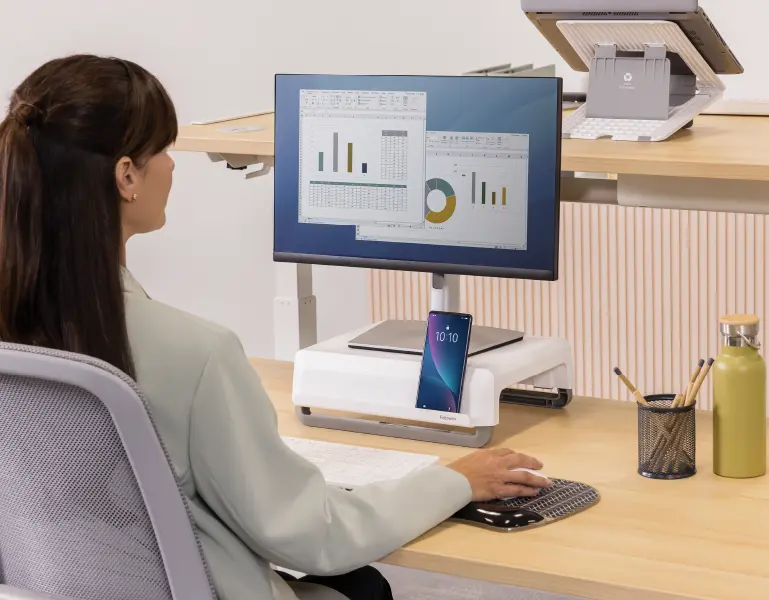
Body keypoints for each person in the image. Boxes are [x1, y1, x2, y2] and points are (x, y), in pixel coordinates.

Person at [0, 54, 552, 600]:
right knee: (361, 584)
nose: (173, 165)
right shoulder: (195, 355)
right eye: (163, 150)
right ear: (126, 177)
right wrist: (454, 480)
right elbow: (314, 536)